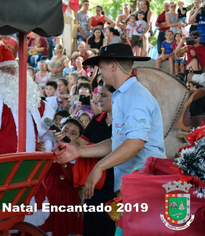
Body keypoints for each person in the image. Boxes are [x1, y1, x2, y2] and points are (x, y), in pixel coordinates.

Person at [56, 43, 166, 201]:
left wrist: (100, 166)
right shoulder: (122, 95)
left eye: (100, 67)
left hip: (144, 184)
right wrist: (80, 151)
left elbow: (135, 143)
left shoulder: (135, 96)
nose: (99, 72)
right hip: (130, 183)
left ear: (113, 66)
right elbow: (119, 141)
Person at [53, 79, 116, 236]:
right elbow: (79, 146)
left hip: (112, 185)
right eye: (98, 95)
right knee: (89, 228)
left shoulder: (124, 122)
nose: (98, 99)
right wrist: (64, 138)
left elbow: (116, 148)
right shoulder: (97, 120)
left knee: (106, 229)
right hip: (91, 185)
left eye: (104, 96)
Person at [39, 118, 84, 236]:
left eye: (73, 133)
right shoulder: (49, 148)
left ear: (79, 139)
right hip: (47, 197)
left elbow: (75, 179)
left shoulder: (79, 157)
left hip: (67, 200)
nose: (67, 135)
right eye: (65, 130)